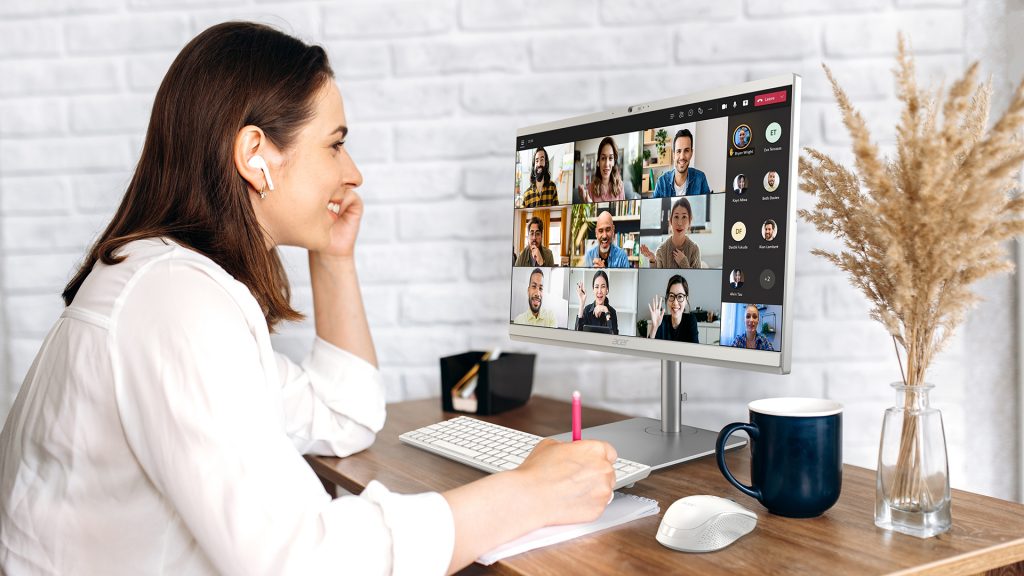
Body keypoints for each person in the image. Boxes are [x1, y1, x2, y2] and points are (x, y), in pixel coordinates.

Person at [0, 23, 618, 576]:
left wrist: (334, 254)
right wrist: (529, 495)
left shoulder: (170, 280)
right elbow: (299, 559)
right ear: (255, 155)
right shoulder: (173, 302)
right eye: (334, 143)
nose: (353, 173)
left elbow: (346, 415)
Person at [639, 198, 701, 269]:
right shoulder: (661, 251)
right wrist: (652, 260)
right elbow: (657, 278)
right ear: (671, 220)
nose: (679, 223)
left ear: (689, 221)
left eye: (684, 217)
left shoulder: (694, 250)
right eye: (676, 217)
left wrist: (684, 263)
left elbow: (696, 279)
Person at [652, 129, 711, 197]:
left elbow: (708, 206)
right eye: (678, 151)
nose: (682, 157)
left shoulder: (700, 179)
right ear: (673, 155)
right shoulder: (661, 183)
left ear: (691, 153)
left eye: (686, 150)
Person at [646, 275, 698, 343]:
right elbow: (649, 349)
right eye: (671, 296)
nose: (675, 303)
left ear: (686, 300)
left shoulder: (691, 320)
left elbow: (695, 350)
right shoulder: (661, 321)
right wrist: (654, 327)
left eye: (680, 296)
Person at [579, 136, 625, 203]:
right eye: (603, 158)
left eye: (610, 158)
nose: (606, 164)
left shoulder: (620, 186)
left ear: (614, 162)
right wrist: (586, 203)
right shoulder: (590, 188)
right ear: (598, 162)